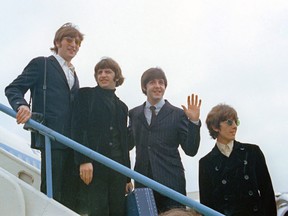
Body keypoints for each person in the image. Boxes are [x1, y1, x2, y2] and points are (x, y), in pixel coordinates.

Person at [5, 22, 84, 210]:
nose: (74, 45)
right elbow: (13, 88)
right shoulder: (43, 64)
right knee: (52, 194)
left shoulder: (74, 73)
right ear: (58, 42)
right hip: (50, 137)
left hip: (71, 142)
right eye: (69, 39)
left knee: (70, 198)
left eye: (78, 42)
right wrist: (21, 105)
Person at [128, 67, 202, 213]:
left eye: (161, 83)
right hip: (143, 183)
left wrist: (194, 122)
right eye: (152, 82)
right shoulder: (134, 114)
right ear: (144, 86)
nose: (157, 86)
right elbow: (127, 144)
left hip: (172, 182)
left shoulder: (178, 114)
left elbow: (191, 150)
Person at [72, 57, 133, 216]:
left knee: (117, 212)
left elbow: (123, 143)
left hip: (118, 168)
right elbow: (78, 129)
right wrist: (84, 160)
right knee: (98, 211)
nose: (103, 75)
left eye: (108, 71)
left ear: (116, 76)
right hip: (94, 167)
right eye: (100, 72)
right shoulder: (86, 95)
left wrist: (127, 177)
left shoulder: (122, 107)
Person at [199, 104, 277, 216]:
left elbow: (267, 193)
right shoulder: (206, 163)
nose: (235, 126)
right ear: (215, 127)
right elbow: (206, 205)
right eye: (229, 122)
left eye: (237, 122)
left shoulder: (252, 152)